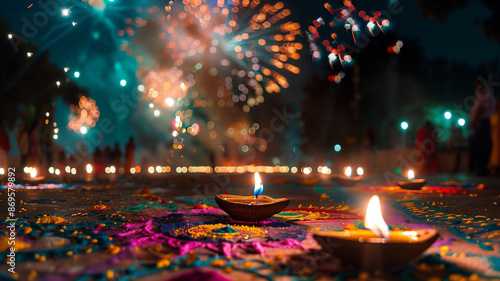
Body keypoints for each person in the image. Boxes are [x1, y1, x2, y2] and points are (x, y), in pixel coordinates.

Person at [469, 78, 496, 176]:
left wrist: (473, 121)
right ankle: (477, 168)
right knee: (477, 145)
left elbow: (481, 108)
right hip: (480, 122)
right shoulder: (481, 94)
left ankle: (481, 169)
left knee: (482, 146)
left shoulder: (485, 93)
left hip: (483, 122)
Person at [490, 100, 500, 175]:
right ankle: (495, 168)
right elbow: (492, 126)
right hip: (495, 136)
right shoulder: (495, 116)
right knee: (495, 151)